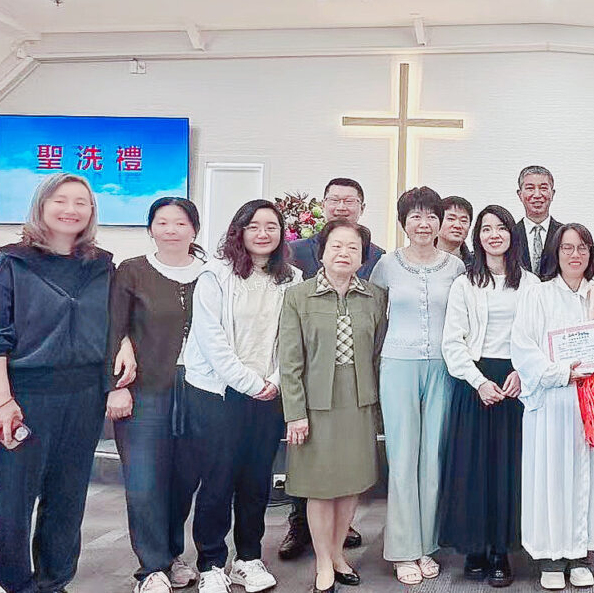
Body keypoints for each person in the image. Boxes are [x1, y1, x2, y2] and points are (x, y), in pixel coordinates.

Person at [0, 173, 114, 593]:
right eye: (60, 200)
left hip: (85, 395)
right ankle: (13, 585)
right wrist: (0, 401)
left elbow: (115, 323)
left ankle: (54, 583)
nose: (71, 209)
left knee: (68, 499)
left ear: (91, 211)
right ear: (42, 206)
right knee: (13, 502)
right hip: (25, 395)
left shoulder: (102, 265)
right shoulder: (10, 261)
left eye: (81, 202)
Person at [181, 199, 301, 593]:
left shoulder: (292, 278)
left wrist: (275, 381)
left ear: (281, 234)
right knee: (218, 479)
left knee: (256, 480)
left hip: (268, 393)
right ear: (240, 230)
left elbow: (292, 339)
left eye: (271, 226)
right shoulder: (215, 275)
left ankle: (248, 558)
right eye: (254, 226)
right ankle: (212, 562)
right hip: (219, 393)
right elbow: (210, 338)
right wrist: (250, 383)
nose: (263, 233)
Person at [511, 223, 594, 590]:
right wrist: (560, 373)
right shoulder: (538, 295)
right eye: (567, 247)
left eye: (582, 248)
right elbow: (522, 346)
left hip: (592, 401)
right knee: (552, 476)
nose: (575, 254)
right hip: (553, 401)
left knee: (588, 475)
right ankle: (551, 557)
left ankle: (581, 555)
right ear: (556, 252)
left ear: (591, 253)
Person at [279, 219, 388, 593]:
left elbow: (378, 354)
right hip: (315, 406)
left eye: (353, 248)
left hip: (359, 401)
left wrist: (379, 407)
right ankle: (323, 562)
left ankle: (339, 554)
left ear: (363, 257)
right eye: (336, 246)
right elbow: (289, 360)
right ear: (322, 252)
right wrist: (295, 412)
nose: (344, 253)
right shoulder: (299, 296)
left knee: (351, 483)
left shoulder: (375, 297)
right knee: (320, 486)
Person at [107, 198, 207, 593]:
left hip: (198, 389)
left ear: (194, 229)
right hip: (145, 388)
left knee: (184, 479)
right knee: (145, 480)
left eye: (180, 223)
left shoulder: (211, 273)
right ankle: (150, 568)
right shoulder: (131, 271)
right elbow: (113, 328)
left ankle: (171, 554)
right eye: (162, 222)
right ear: (150, 229)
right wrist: (117, 387)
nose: (171, 230)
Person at [439, 205, 540, 587]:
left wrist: (523, 372)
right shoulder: (465, 283)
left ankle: (501, 550)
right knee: (474, 468)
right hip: (475, 382)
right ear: (477, 237)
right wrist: (478, 381)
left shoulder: (530, 283)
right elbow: (453, 342)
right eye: (486, 229)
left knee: (508, 469)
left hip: (517, 380)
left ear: (512, 235)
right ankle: (475, 547)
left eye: (501, 228)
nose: (494, 234)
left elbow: (540, 336)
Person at [370, 187, 466, 585]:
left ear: (440, 222)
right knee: (402, 455)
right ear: (403, 222)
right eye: (415, 217)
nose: (424, 224)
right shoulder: (386, 266)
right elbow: (374, 319)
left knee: (434, 456)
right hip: (398, 365)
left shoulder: (455, 267)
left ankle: (427, 544)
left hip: (444, 366)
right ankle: (402, 548)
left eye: (431, 216)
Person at [288, 178, 385, 280]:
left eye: (349, 201)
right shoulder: (295, 250)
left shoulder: (377, 256)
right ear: (323, 205)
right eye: (334, 200)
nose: (341, 208)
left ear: (362, 208)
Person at [512, 165, 562, 276]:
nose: (537, 195)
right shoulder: (510, 234)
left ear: (552, 194)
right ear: (520, 195)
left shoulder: (565, 234)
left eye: (543, 188)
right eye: (530, 188)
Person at [437, 195, 474, 266]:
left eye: (463, 221)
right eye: (451, 219)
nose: (457, 226)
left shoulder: (476, 265)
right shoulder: (419, 259)